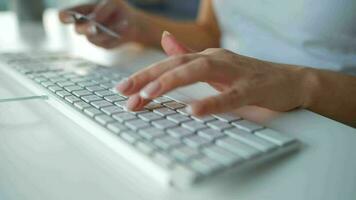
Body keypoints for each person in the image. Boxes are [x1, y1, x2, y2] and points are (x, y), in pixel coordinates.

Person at [59, 0, 356, 127]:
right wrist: (136, 26)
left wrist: (300, 83)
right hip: (232, 108)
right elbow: (213, 31)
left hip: (334, 123)